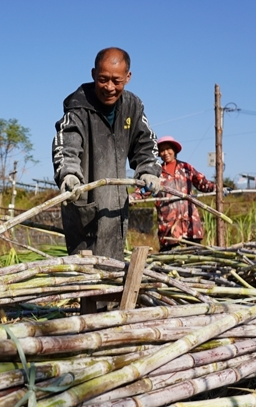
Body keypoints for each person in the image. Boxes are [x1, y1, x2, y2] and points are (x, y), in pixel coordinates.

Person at [52, 47, 162, 261]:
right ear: (93, 74)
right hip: (84, 204)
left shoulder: (133, 107)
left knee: (113, 268)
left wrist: (148, 170)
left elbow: (145, 142)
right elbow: (67, 144)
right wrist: (69, 174)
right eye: (103, 79)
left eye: (116, 81)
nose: (109, 87)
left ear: (128, 77)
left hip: (116, 206)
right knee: (86, 275)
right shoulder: (78, 108)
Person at [133, 136, 214, 251]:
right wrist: (131, 198)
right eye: (162, 150)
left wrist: (219, 189)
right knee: (170, 259)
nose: (166, 153)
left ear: (174, 150)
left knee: (196, 255)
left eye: (168, 149)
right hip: (168, 225)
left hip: (190, 222)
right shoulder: (157, 172)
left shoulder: (186, 168)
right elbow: (142, 191)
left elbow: (203, 184)